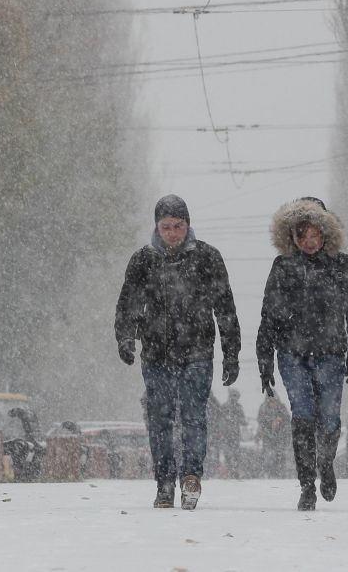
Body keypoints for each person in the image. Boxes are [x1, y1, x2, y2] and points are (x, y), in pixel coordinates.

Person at [115, 194, 241, 510]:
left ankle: (191, 477)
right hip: (156, 354)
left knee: (193, 416)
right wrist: (126, 338)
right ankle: (164, 482)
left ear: (188, 225)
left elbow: (225, 307)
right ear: (157, 227)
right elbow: (128, 304)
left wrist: (231, 352)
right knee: (159, 420)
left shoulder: (208, 258)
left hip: (197, 351)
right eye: (166, 227)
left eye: (178, 226)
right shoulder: (143, 261)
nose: (172, 233)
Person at [255, 197, 348, 510]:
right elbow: (269, 315)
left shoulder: (342, 265)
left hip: (331, 353)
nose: (309, 241)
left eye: (314, 234)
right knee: (302, 416)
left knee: (329, 418)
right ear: (292, 236)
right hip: (292, 355)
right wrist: (264, 361)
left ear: (325, 233)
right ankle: (306, 485)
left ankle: (325, 462)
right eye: (302, 235)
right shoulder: (283, 267)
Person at [256, 389, 290, 477]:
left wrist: (280, 419)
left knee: (280, 455)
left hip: (280, 436)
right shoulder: (263, 408)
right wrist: (262, 430)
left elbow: (287, 419)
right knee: (268, 455)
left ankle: (279, 473)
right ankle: (269, 473)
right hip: (267, 436)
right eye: (270, 400)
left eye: (274, 400)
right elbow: (260, 421)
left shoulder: (282, 407)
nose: (272, 402)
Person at [220, 388, 247, 478]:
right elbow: (220, 420)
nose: (235, 399)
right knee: (228, 454)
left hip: (235, 434)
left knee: (235, 454)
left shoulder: (238, 407)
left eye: (236, 397)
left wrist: (241, 421)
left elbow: (242, 420)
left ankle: (234, 471)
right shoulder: (224, 407)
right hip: (227, 434)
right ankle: (229, 471)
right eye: (234, 396)